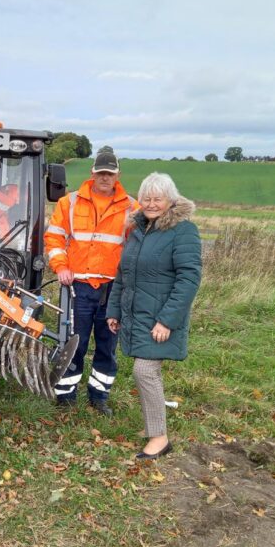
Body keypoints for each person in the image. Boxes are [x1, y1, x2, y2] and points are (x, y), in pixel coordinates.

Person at [106, 172, 201, 459]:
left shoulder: (183, 231)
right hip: (137, 314)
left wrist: (167, 320)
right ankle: (152, 425)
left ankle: (159, 438)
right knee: (143, 371)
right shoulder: (138, 230)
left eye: (157, 198)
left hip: (160, 317)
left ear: (171, 200)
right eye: (146, 198)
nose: (151, 203)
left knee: (144, 371)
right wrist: (114, 310)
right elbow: (123, 274)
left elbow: (189, 279)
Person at [44, 149, 139, 416]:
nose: (105, 177)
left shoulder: (132, 207)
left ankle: (99, 397)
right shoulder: (70, 202)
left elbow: (141, 243)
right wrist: (61, 266)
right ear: (92, 173)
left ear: (118, 175)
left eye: (110, 173)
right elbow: (54, 238)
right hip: (79, 287)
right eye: (101, 173)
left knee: (107, 345)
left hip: (113, 289)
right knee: (75, 343)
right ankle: (66, 398)